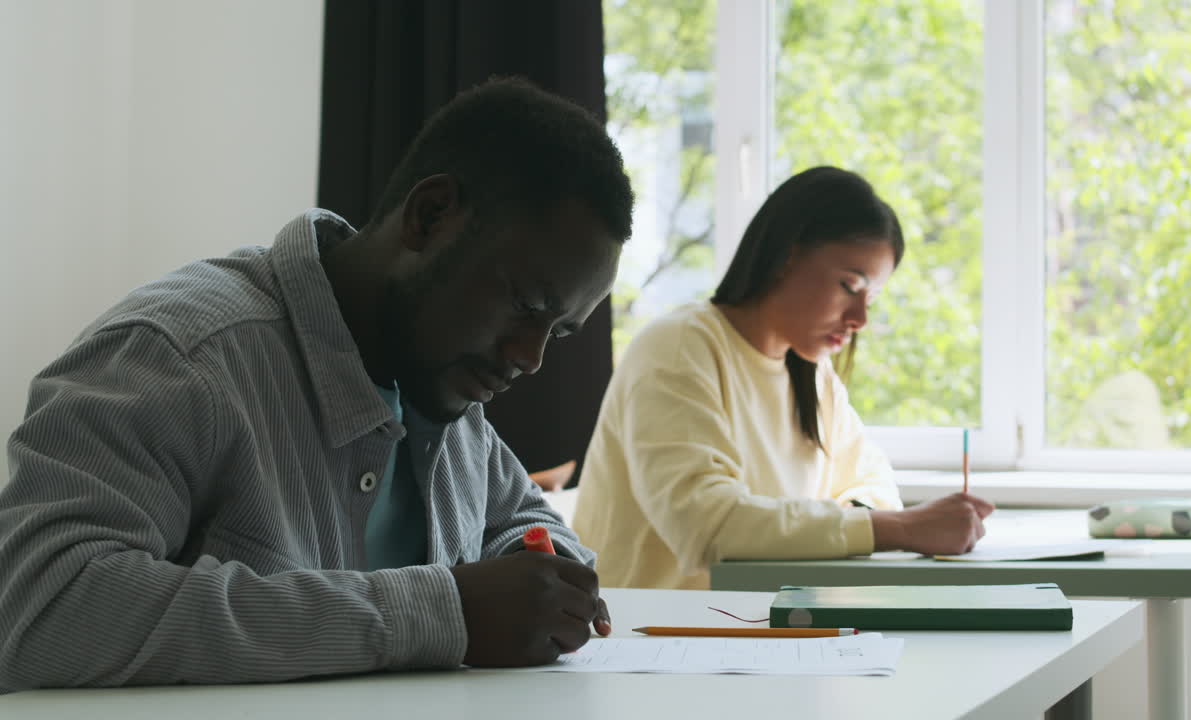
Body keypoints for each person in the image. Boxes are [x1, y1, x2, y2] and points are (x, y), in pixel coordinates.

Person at [0, 78, 634, 691]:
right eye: (525, 304)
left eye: (562, 331)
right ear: (430, 215)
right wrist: (442, 613)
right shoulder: (179, 356)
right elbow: (37, 605)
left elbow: (517, 519)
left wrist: (547, 578)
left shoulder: (443, 385)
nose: (531, 357)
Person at [572, 166, 994, 590]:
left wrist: (854, 521)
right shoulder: (680, 347)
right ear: (787, 255)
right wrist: (895, 528)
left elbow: (873, 485)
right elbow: (706, 526)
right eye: (850, 286)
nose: (860, 319)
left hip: (754, 630)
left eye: (872, 298)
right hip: (650, 637)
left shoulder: (812, 375)